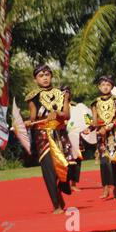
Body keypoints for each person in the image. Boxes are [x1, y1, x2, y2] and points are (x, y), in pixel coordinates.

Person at [24, 64, 73, 214]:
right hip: (42, 136)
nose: (44, 78)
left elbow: (67, 115)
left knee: (67, 167)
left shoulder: (62, 93)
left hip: (60, 135)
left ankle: (60, 190)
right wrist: (27, 122)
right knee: (49, 170)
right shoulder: (32, 97)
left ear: (51, 76)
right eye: (41, 75)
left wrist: (58, 113)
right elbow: (33, 117)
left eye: (47, 75)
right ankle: (56, 205)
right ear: (35, 79)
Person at [86, 76, 116, 199]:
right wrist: (90, 128)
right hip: (101, 136)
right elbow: (94, 120)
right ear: (99, 87)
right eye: (103, 84)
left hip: (114, 135)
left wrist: (109, 126)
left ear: (111, 87)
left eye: (108, 84)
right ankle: (105, 188)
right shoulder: (95, 103)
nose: (105, 87)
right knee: (104, 163)